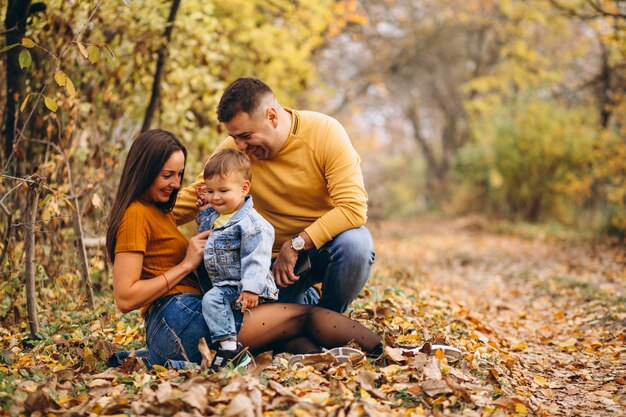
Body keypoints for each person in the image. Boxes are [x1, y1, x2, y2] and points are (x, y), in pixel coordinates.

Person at [106, 129, 384, 370]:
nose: (177, 184)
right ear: (144, 170)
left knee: (285, 336)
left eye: (179, 175)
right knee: (302, 316)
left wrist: (207, 210)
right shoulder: (135, 215)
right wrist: (186, 265)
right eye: (167, 175)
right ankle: (386, 352)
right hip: (180, 320)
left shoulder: (158, 210)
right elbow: (125, 297)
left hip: (188, 314)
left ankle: (330, 359)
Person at [174, 77, 375, 314]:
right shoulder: (233, 152)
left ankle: (328, 321)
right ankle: (301, 305)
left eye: (246, 136)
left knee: (356, 244)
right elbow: (192, 199)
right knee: (270, 332)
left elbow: (353, 208)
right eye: (234, 137)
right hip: (259, 264)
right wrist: (136, 216)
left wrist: (297, 244)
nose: (240, 146)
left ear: (272, 116)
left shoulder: (325, 133)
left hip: (316, 251)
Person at [196, 149, 278, 370]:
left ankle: (231, 350)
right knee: (212, 298)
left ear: (244, 188)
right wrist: (204, 210)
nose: (216, 197)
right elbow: (207, 228)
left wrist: (251, 288)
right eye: (210, 191)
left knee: (212, 300)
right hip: (227, 285)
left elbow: (258, 258)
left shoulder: (252, 224)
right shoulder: (217, 216)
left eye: (223, 190)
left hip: (244, 286)